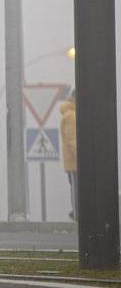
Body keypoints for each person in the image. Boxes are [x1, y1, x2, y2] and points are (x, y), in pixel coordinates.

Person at [59, 90, 77, 222]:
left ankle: (76, 212)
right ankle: (77, 213)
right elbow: (73, 140)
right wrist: (82, 158)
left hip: (72, 161)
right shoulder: (71, 116)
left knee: (75, 187)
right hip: (75, 161)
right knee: (76, 188)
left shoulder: (70, 114)